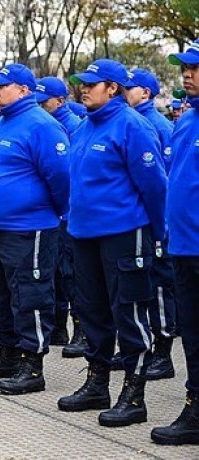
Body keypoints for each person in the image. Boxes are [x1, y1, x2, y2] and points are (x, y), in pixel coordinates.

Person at [57, 59, 167, 428]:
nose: (83, 89)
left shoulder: (133, 126)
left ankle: (134, 395)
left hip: (125, 233)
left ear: (113, 88)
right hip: (85, 234)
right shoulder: (86, 127)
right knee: (93, 311)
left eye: (92, 83)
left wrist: (157, 233)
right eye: (81, 84)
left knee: (130, 313)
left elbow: (154, 186)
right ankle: (97, 383)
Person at [0, 63, 70, 394]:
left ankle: (32, 363)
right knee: (0, 294)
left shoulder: (41, 125)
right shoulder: (2, 122)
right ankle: (8, 352)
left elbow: (61, 178)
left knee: (31, 294)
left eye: (2, 85)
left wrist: (48, 211)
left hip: (28, 227)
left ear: (24, 90)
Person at [152, 39, 199, 445]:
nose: (187, 72)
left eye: (195, 67)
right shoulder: (186, 120)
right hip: (184, 246)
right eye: (185, 66)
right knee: (194, 334)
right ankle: (196, 407)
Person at [124, 68, 178, 381]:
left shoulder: (157, 125)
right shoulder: (133, 121)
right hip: (138, 223)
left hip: (158, 220)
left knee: (159, 286)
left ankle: (164, 353)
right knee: (141, 287)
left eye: (131, 88)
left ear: (146, 93)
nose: (125, 92)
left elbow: (162, 180)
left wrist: (163, 224)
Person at [33, 76, 84, 351]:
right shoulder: (43, 124)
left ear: (60, 101)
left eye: (44, 102)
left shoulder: (72, 126)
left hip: (68, 211)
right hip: (52, 211)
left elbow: (67, 173)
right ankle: (58, 326)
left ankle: (81, 329)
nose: (40, 107)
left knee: (71, 272)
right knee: (52, 272)